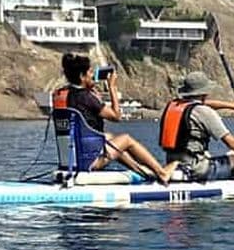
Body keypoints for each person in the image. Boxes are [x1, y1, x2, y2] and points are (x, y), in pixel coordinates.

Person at [56, 53, 177, 184]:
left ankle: (143, 171)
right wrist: (112, 88)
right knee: (126, 139)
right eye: (90, 72)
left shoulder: (71, 95)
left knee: (109, 138)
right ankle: (162, 172)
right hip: (91, 160)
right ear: (82, 76)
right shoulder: (87, 97)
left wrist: (92, 93)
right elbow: (116, 116)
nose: (93, 76)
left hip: (78, 157)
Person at [159, 71, 234, 181]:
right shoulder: (205, 112)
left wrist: (232, 106)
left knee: (209, 155)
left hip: (173, 162)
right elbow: (232, 143)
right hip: (196, 169)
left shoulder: (175, 106)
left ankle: (179, 172)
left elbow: (202, 104)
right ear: (205, 92)